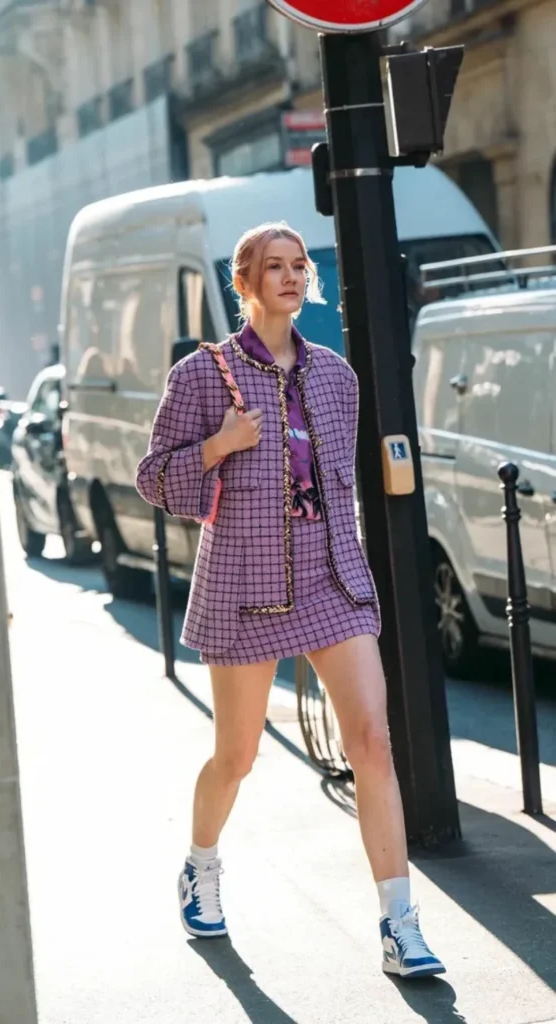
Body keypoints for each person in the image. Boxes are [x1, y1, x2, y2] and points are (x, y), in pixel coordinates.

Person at [136, 221, 444, 979]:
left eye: (298, 266)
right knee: (235, 757)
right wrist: (218, 445)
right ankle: (200, 863)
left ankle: (398, 924)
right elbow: (153, 478)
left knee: (371, 741)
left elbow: (338, 484)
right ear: (242, 284)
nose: (289, 277)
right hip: (244, 583)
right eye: (272, 267)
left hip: (332, 576)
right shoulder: (201, 377)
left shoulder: (337, 376)